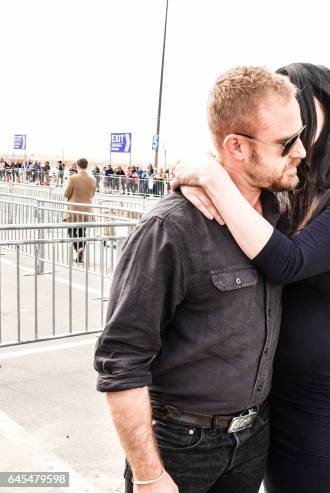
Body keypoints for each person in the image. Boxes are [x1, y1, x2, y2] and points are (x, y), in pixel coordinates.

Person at [171, 62, 330, 493]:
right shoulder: (290, 180)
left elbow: (290, 261)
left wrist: (211, 179)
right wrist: (199, 170)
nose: (291, 131)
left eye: (299, 116)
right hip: (263, 394)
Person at [95, 67, 306, 493]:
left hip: (252, 438)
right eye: (287, 143)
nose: (301, 151)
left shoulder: (279, 217)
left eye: (300, 136)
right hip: (180, 445)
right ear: (237, 147)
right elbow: (121, 360)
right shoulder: (170, 230)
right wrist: (150, 475)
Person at [63, 158, 96, 263]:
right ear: (86, 165)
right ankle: (80, 252)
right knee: (82, 231)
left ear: (77, 165)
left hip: (74, 210)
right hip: (87, 210)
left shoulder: (73, 178)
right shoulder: (93, 179)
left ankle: (78, 249)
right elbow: (92, 195)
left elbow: (66, 194)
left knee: (71, 230)